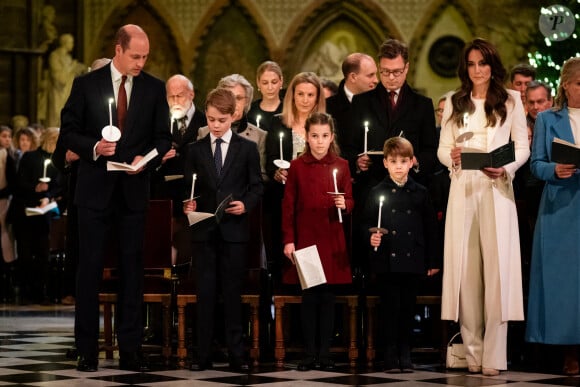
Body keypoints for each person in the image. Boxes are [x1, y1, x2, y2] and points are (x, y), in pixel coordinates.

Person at [59, 24, 171, 372]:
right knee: (89, 270)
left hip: (133, 191)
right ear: (118, 50)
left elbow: (163, 138)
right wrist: (94, 147)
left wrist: (146, 159)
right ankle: (87, 349)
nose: (141, 62)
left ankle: (131, 347)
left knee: (132, 271)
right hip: (93, 191)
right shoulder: (85, 84)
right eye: (135, 56)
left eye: (145, 57)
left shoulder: (153, 89)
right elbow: (68, 131)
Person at [437, 38, 529, 376]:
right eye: (472, 64)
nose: (477, 70)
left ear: (493, 65)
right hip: (464, 190)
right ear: (466, 67)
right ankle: (472, 353)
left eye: (483, 63)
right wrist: (454, 158)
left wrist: (506, 167)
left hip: (496, 189)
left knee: (497, 273)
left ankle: (494, 356)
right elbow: (443, 148)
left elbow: (521, 146)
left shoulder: (511, 100)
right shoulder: (454, 102)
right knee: (467, 274)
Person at [183, 88, 263, 372]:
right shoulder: (194, 150)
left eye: (222, 120)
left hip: (234, 232)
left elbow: (256, 186)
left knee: (232, 295)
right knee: (204, 294)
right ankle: (202, 354)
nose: (215, 125)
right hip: (204, 233)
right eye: (212, 119)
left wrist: (245, 205)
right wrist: (188, 204)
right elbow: (188, 187)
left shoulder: (247, 149)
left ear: (234, 116)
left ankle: (237, 354)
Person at [281, 112, 353, 371]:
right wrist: (289, 240)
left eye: (324, 136)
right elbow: (288, 206)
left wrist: (345, 204)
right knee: (309, 298)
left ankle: (325, 352)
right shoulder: (297, 166)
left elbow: (350, 200)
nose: (320, 141)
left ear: (331, 137)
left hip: (332, 238)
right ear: (306, 137)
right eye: (314, 136)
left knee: (328, 299)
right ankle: (309, 353)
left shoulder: (342, 165)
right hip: (307, 239)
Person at [363, 136, 440, 373]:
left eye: (403, 160)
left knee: (408, 308)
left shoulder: (420, 192)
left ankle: (405, 351)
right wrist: (370, 237)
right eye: (393, 160)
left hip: (413, 259)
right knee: (390, 308)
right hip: (387, 260)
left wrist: (433, 260)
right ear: (385, 162)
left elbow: (431, 229)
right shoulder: (377, 192)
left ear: (411, 162)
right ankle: (389, 353)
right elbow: (366, 225)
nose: (398, 165)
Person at [526, 57, 580, 376]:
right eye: (579, 84)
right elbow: (536, 164)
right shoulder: (548, 118)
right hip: (561, 204)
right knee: (564, 281)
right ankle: (569, 351)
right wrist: (555, 169)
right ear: (565, 85)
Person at [348, 39, 438, 189]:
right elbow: (348, 146)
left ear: (407, 68)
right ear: (379, 68)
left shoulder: (423, 104)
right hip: (371, 186)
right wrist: (356, 162)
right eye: (385, 71)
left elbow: (431, 150)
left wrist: (415, 161)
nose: (390, 77)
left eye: (396, 72)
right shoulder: (360, 102)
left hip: (410, 187)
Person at [264, 72, 325, 281]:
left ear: (318, 98)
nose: (305, 100)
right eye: (300, 94)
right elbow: (271, 158)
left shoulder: (325, 124)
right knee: (285, 255)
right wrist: (277, 172)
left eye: (310, 95)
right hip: (284, 197)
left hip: (315, 199)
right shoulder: (278, 122)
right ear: (292, 96)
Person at [11, 127, 62, 304]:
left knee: (43, 254)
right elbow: (19, 183)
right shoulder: (30, 157)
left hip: (43, 214)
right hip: (25, 212)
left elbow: (57, 184)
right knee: (25, 254)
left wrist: (47, 197)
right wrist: (35, 188)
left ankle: (42, 293)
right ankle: (25, 293)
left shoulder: (56, 160)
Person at [198, 74, 267, 180]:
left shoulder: (260, 136)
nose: (233, 103)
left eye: (238, 98)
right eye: (228, 96)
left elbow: (262, 178)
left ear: (246, 101)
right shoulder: (203, 132)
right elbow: (198, 173)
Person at [326, 52, 378, 152]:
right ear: (353, 77)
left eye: (376, 74)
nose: (376, 80)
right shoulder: (327, 107)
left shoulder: (381, 103)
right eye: (370, 75)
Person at [46, 34, 86, 127]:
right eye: (71, 42)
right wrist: (72, 67)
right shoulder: (54, 56)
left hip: (68, 90)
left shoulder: (68, 58)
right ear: (64, 43)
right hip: (58, 91)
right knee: (57, 114)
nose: (72, 45)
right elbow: (59, 77)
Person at [247, 61, 284, 132]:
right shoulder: (249, 112)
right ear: (258, 83)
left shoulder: (290, 110)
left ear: (281, 81)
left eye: (274, 82)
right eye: (265, 83)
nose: (270, 87)